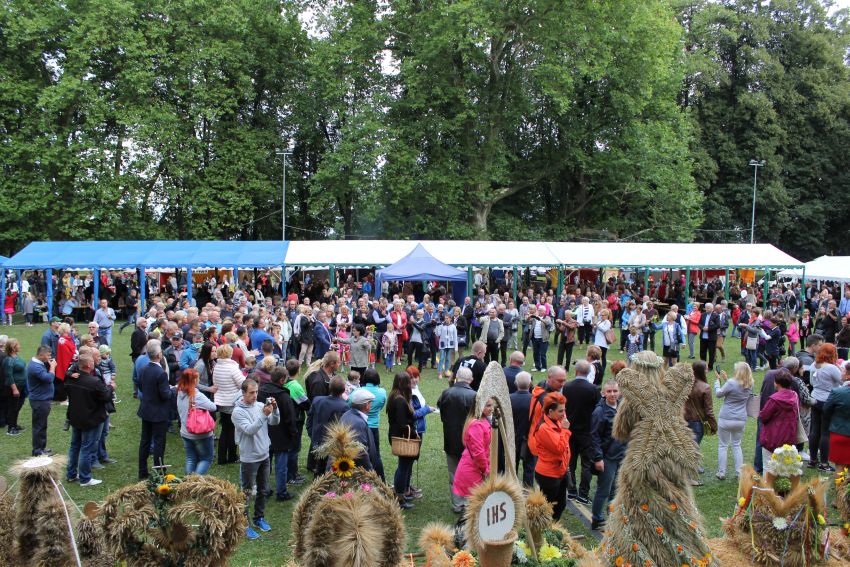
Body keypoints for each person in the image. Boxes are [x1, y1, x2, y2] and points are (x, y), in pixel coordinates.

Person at [232, 378, 280, 540]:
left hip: (264, 455)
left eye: (256, 392)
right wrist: (264, 414)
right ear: (243, 393)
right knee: (246, 492)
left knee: (263, 490)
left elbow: (275, 422)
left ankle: (259, 518)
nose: (255, 395)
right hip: (249, 458)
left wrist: (275, 409)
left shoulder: (260, 406)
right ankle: (244, 524)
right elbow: (250, 430)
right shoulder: (238, 412)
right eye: (251, 393)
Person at [65, 352, 112, 486]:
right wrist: (111, 387)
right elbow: (106, 397)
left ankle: (71, 474)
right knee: (86, 448)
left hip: (75, 417)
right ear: (89, 365)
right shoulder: (94, 382)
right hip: (91, 419)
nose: (94, 363)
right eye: (92, 361)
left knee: (75, 446)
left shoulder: (71, 379)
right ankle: (85, 478)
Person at [436, 366, 477, 513]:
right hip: (469, 442)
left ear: (457, 377)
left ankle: (457, 504)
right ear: (470, 380)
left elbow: (440, 409)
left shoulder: (446, 393)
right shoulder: (474, 395)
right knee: (470, 474)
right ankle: (468, 503)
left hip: (450, 439)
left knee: (453, 473)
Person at [590, 380, 627, 531]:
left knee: (615, 490)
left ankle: (612, 517)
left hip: (621, 456)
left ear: (620, 392)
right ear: (603, 393)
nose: (612, 394)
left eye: (615, 391)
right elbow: (594, 437)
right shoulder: (599, 412)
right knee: (603, 490)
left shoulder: (622, 407)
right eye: (609, 391)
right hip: (607, 457)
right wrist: (598, 458)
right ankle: (597, 519)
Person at [528, 392, 571, 520]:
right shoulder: (544, 428)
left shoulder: (556, 421)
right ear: (550, 411)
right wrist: (565, 430)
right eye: (560, 411)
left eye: (564, 410)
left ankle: (551, 526)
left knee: (560, 505)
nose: (564, 414)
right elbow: (559, 448)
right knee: (547, 509)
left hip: (559, 471)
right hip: (549, 475)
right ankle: (544, 528)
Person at [259, 367, 298, 501]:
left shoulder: (260, 392)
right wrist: (293, 433)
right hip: (281, 436)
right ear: (282, 380)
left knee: (265, 464)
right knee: (281, 466)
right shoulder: (284, 396)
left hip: (264, 433)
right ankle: (281, 492)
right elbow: (290, 418)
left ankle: (265, 489)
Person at [563, 360, 599, 504]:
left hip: (570, 431)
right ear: (589, 372)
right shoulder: (593, 389)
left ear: (576, 371)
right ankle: (583, 494)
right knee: (586, 464)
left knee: (570, 462)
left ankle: (571, 491)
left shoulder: (566, 387)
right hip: (587, 432)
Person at [137, 340, 172, 480]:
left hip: (146, 409)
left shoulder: (143, 368)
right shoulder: (160, 373)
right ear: (159, 355)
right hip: (158, 412)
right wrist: (172, 390)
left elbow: (140, 385)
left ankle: (142, 470)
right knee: (159, 442)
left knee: (145, 441)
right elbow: (165, 395)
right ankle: (159, 471)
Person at [713, 362, 753, 480]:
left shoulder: (731, 383)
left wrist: (717, 381)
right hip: (740, 419)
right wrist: (726, 380)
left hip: (726, 417)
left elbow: (719, 394)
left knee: (723, 445)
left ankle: (721, 472)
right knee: (736, 445)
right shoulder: (750, 384)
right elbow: (736, 390)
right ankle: (739, 472)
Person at [452, 398, 493, 509]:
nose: (491, 408)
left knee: (477, 504)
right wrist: (485, 469)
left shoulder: (483, 420)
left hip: (476, 468)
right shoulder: (477, 425)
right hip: (473, 469)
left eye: (491, 405)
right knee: (474, 505)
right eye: (488, 406)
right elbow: (478, 453)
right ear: (479, 406)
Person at [176, 368, 217, 475]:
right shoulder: (197, 396)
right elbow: (213, 407)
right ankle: (196, 481)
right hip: (200, 434)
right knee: (206, 458)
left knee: (191, 458)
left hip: (185, 432)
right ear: (194, 380)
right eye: (198, 378)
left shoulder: (180, 392)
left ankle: (188, 481)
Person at [809, 343, 842, 472]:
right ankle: (824, 463)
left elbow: (811, 382)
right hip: (827, 400)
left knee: (814, 430)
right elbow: (842, 380)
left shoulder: (813, 365)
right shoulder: (831, 368)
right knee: (825, 432)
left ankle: (812, 460)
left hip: (815, 398)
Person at [387, 371, 417, 509]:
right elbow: (402, 424)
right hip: (403, 438)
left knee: (403, 466)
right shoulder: (399, 400)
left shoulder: (395, 396)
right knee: (403, 467)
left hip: (398, 435)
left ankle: (400, 493)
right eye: (409, 381)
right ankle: (399, 497)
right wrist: (413, 433)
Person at [306, 375, 348, 475]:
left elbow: (309, 419)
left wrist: (312, 434)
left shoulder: (317, 400)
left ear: (329, 387)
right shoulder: (344, 406)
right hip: (332, 444)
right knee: (328, 470)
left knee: (320, 468)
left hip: (318, 440)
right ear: (343, 390)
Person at [683, 361, 716, 484]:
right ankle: (689, 477)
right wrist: (713, 425)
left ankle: (694, 468)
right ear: (702, 370)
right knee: (693, 449)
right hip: (697, 422)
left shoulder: (685, 384)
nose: (708, 370)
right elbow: (709, 410)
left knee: (689, 447)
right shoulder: (705, 387)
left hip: (684, 420)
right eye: (706, 368)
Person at [213, 343, 246, 465]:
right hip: (231, 402)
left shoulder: (217, 366)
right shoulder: (232, 368)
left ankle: (222, 457)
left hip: (221, 401)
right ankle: (231, 456)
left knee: (225, 430)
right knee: (231, 431)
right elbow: (243, 384)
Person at [759, 372, 800, 466]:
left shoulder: (774, 399)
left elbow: (764, 416)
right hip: (788, 437)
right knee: (785, 466)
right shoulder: (794, 396)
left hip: (772, 437)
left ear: (777, 383)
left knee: (769, 467)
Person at [27, 345, 57, 455]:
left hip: (42, 399)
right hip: (40, 401)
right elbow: (49, 379)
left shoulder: (38, 363)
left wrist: (49, 364)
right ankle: (38, 451)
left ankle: (41, 448)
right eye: (48, 355)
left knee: (42, 425)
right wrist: (52, 367)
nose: (50, 357)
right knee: (39, 426)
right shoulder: (36, 367)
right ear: (41, 355)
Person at [340, 388, 378, 471]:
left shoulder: (347, 414)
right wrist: (369, 471)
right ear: (367, 405)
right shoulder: (358, 423)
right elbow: (360, 452)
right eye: (371, 403)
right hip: (357, 472)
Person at [360, 368, 387, 480]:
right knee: (376, 454)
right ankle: (381, 479)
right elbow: (382, 405)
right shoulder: (382, 392)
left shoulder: (359, 391)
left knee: (360, 453)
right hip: (374, 426)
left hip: (361, 425)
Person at [510, 371, 534, 487]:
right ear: (530, 384)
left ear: (515, 383)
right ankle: (527, 492)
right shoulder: (534, 400)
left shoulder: (509, 398)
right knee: (529, 468)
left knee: (511, 467)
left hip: (512, 438)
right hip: (529, 438)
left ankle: (511, 491)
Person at [824, 367, 850, 471]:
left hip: (839, 431)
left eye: (843, 371)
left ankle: (840, 483)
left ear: (848, 375)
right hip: (840, 431)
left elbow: (826, 410)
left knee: (840, 465)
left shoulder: (837, 392)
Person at [3, 339, 26, 435]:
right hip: (14, 387)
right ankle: (11, 428)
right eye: (18, 345)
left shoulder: (16, 357)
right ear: (13, 348)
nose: (19, 346)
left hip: (21, 386)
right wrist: (14, 389)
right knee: (13, 407)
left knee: (18, 406)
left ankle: (14, 424)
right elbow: (9, 375)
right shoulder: (8, 360)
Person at [435, 314, 458, 379]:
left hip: (450, 345)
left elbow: (455, 337)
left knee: (448, 359)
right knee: (441, 358)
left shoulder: (453, 326)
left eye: (447, 318)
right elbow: (438, 334)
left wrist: (456, 347)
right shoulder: (441, 325)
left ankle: (446, 371)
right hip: (443, 344)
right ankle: (440, 373)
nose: (446, 319)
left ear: (450, 319)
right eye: (445, 318)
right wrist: (437, 326)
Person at [698, 302, 720, 370]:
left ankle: (710, 366)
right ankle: (703, 365)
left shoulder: (716, 316)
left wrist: (708, 329)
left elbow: (717, 325)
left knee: (711, 353)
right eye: (706, 308)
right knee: (702, 352)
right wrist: (702, 328)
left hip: (711, 337)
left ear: (712, 309)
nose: (707, 309)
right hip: (703, 337)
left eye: (708, 308)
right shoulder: (703, 315)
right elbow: (699, 323)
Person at [592, 309, 613, 375]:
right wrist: (594, 327)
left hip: (603, 343)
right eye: (601, 315)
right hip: (597, 342)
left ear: (607, 315)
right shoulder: (600, 321)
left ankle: (602, 370)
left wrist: (597, 325)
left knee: (603, 356)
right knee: (596, 357)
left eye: (603, 315)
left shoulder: (608, 322)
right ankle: (597, 369)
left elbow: (604, 330)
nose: (601, 316)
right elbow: (595, 331)